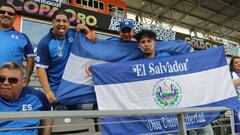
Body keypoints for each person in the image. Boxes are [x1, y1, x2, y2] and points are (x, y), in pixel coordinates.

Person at [135, 29, 214, 135]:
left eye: (149, 41)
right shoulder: (137, 65)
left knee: (205, 128)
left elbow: (188, 57)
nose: (146, 44)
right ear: (139, 45)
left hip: (184, 101)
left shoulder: (168, 56)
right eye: (143, 42)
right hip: (162, 110)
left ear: (155, 43)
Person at [0, 61, 52, 135]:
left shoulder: (37, 97)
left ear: (24, 82)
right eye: (1, 79)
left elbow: (48, 116)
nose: (5, 83)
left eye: (12, 80)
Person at [0, 4, 34, 85]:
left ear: (14, 18)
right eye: (2, 12)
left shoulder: (22, 37)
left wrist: (27, 78)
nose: (6, 14)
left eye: (10, 13)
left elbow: (31, 59)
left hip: (11, 84)